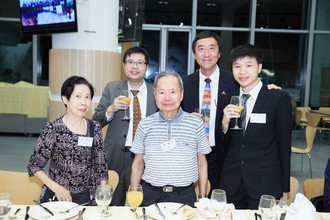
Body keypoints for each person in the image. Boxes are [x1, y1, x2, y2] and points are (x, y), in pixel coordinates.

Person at [220, 44, 292, 209]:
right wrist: (224, 123)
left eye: (248, 65)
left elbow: (284, 146)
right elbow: (226, 144)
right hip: (232, 182)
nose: (242, 71)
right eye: (237, 66)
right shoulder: (229, 97)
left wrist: (285, 188)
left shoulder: (277, 98)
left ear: (259, 68)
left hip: (264, 183)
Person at [130, 71, 211, 207]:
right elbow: (138, 163)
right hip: (150, 194)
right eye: (161, 92)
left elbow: (201, 162)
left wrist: (203, 197)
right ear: (155, 95)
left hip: (184, 195)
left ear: (181, 95)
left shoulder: (196, 124)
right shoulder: (144, 124)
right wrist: (134, 193)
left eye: (173, 92)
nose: (167, 98)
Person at [27, 76, 108, 205]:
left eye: (87, 97)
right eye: (78, 96)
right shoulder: (53, 128)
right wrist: (56, 187)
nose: (84, 102)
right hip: (58, 196)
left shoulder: (95, 127)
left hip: (87, 197)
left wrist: (103, 192)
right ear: (65, 99)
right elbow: (34, 165)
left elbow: (101, 165)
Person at [92, 46, 157, 206]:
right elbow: (96, 122)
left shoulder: (155, 92)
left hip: (146, 157)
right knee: (111, 203)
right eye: (130, 62)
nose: (135, 66)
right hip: (115, 155)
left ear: (146, 67)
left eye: (140, 62)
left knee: (143, 203)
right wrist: (111, 109)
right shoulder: (112, 88)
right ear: (124, 66)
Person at [181, 31, 238, 194]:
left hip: (223, 154)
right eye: (201, 49)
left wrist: (268, 90)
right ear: (194, 55)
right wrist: (185, 119)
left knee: (220, 202)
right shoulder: (184, 83)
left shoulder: (234, 82)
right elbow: (170, 114)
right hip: (191, 154)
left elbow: (252, 93)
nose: (206, 54)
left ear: (219, 53)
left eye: (211, 48)